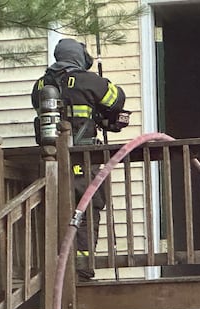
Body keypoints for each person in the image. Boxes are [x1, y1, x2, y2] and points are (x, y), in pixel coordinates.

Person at [31, 38, 129, 280]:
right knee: (86, 210)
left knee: (57, 214)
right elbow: (116, 99)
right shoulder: (89, 81)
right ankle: (82, 270)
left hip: (51, 162)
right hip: (84, 160)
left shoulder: (41, 85)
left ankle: (58, 269)